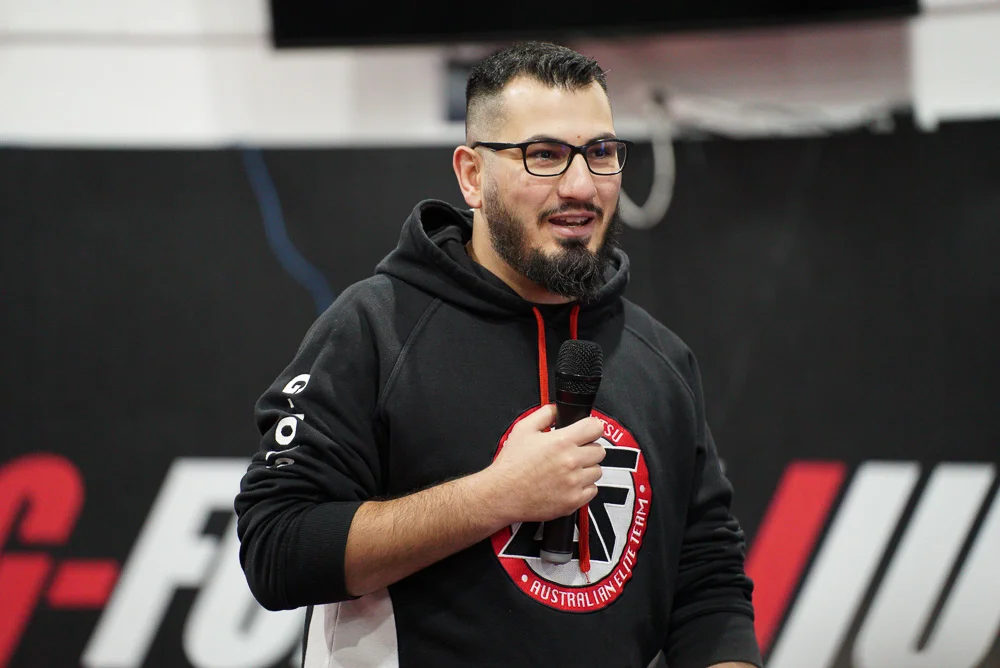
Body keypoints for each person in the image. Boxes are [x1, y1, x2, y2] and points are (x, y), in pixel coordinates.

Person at [235, 41, 762, 668]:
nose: (581, 186)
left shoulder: (661, 359)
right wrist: (496, 497)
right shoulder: (375, 328)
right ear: (471, 176)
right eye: (544, 155)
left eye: (600, 153)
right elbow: (278, 550)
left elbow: (708, 584)